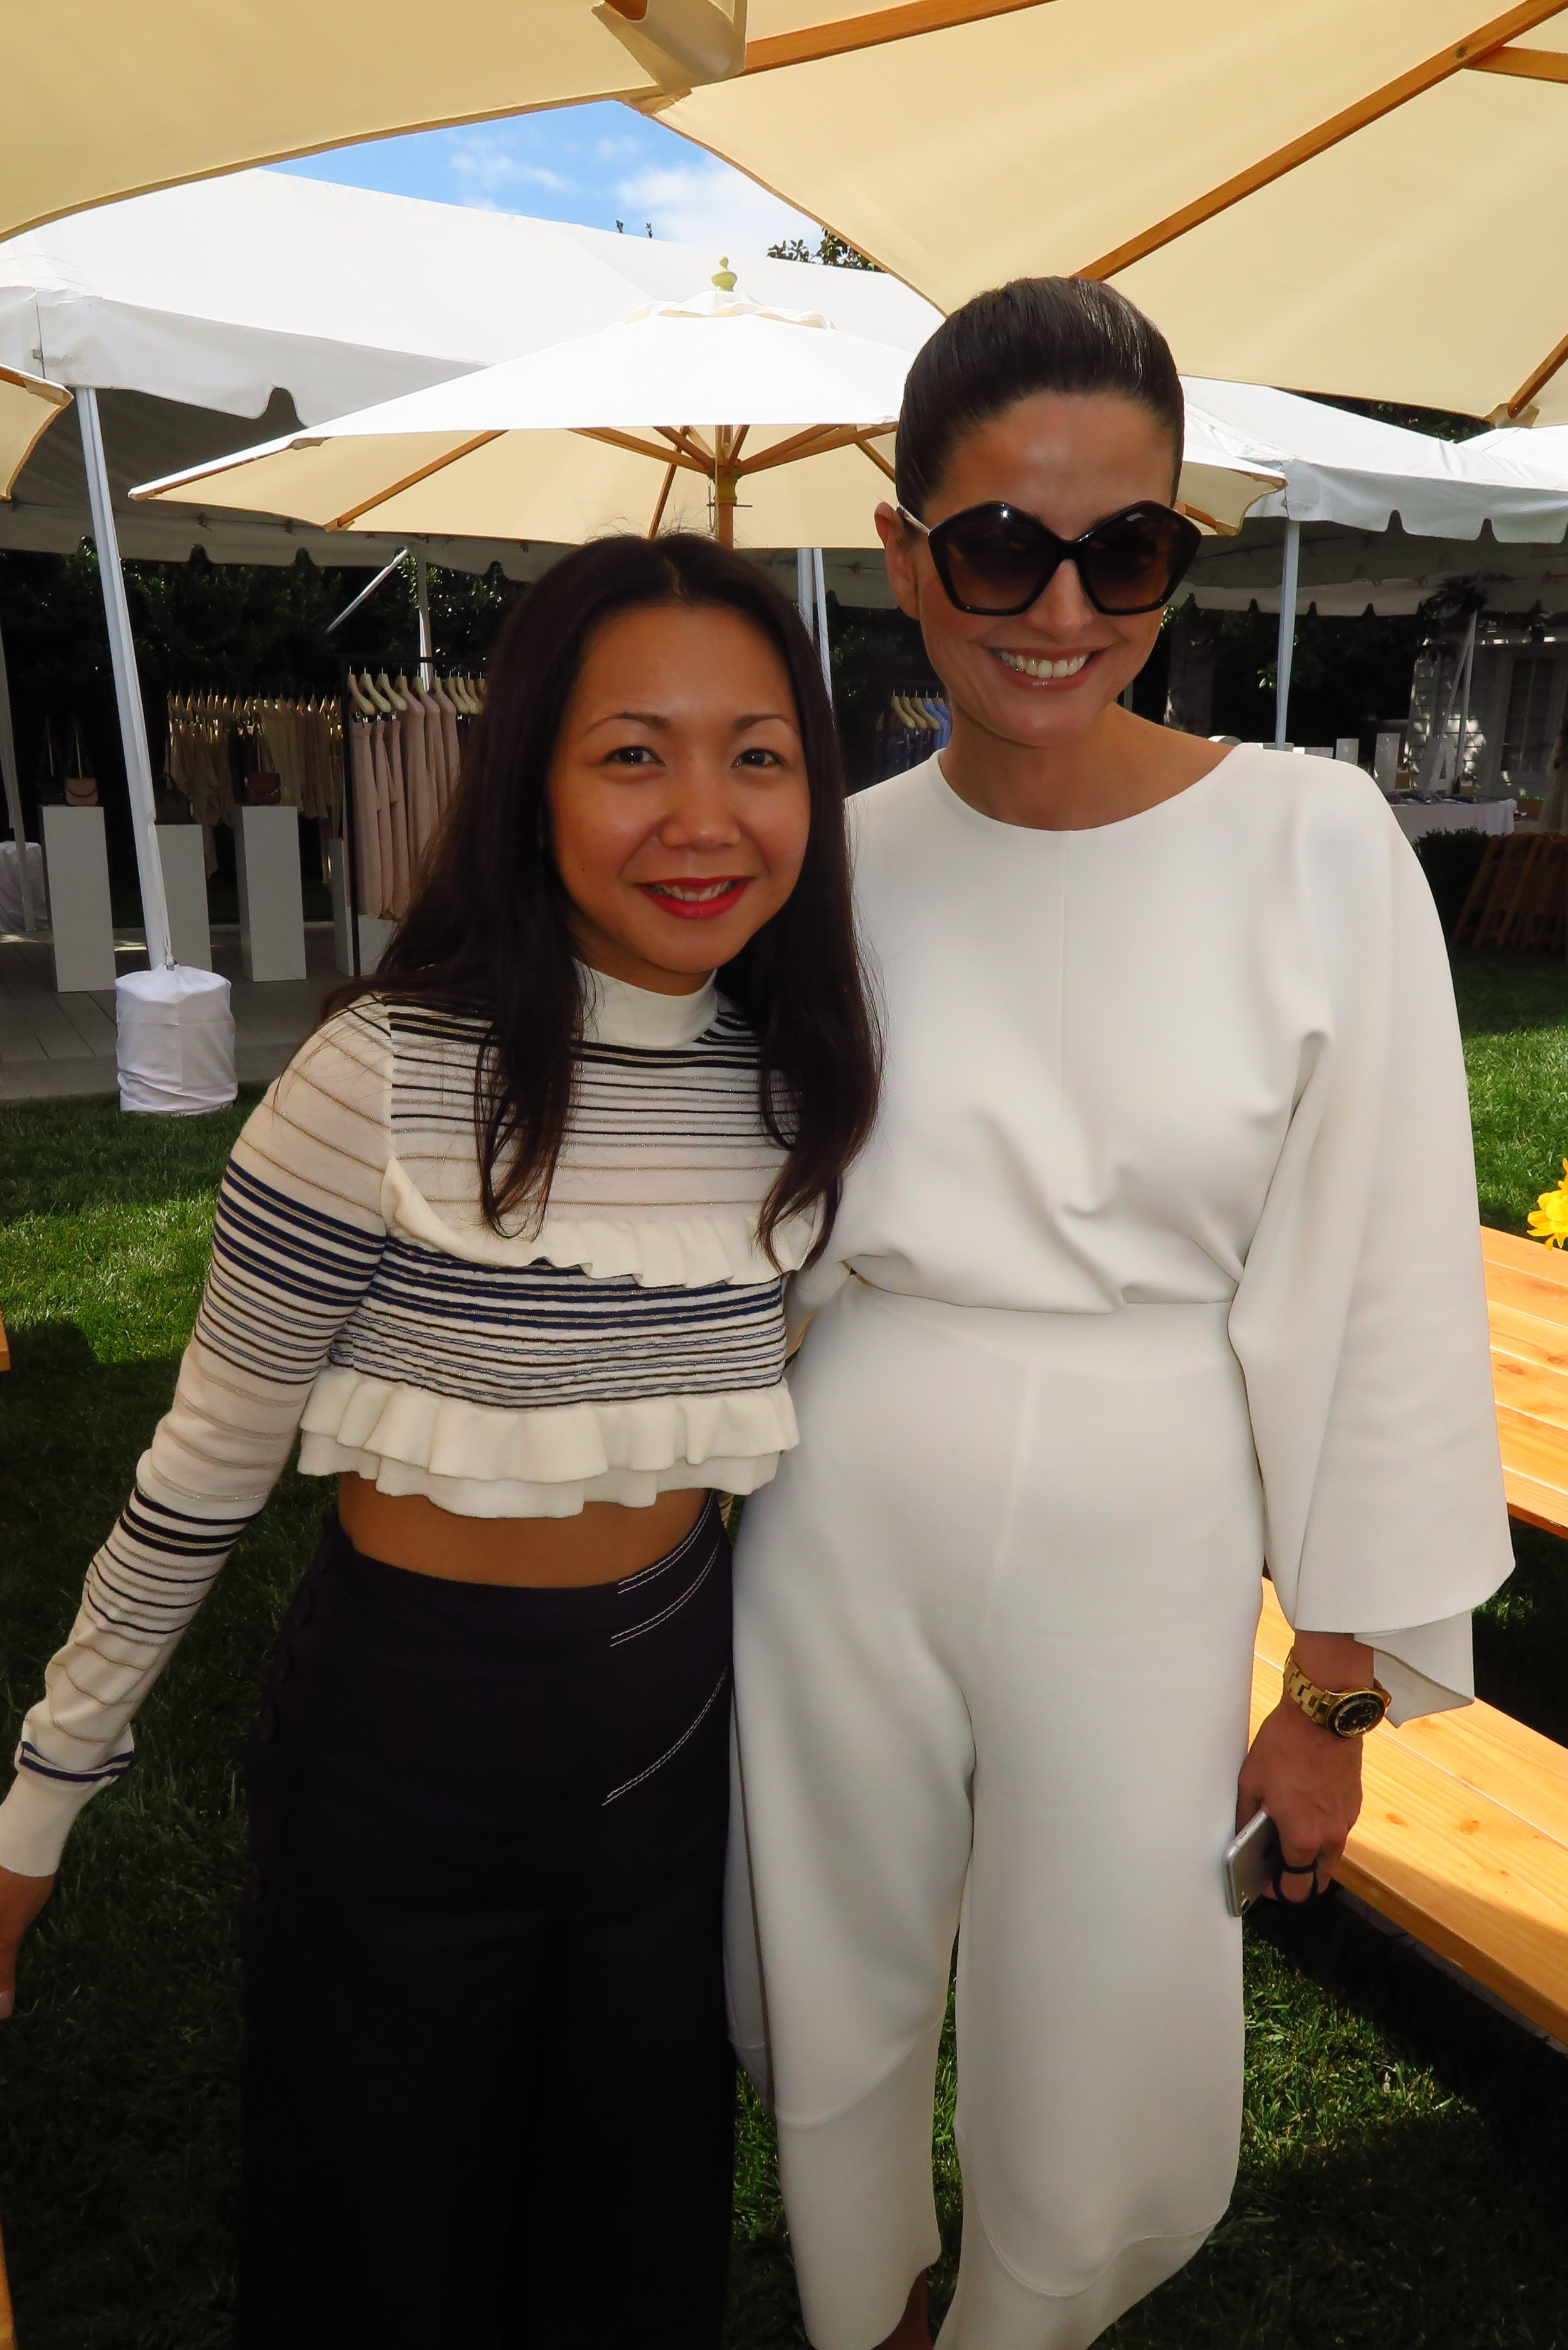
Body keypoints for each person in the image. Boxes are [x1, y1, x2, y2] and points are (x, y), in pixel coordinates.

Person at [723, 278, 1513, 2350]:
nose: (1061, 605)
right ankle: (862, 2314)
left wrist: (1331, 1694)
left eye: (1126, 547)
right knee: (829, 1974)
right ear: (903, 550)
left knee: (1103, 2003)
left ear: (1180, 547)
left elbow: (1384, 1283)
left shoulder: (1311, 842)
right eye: (999, 544)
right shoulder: (825, 863)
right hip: (837, 1497)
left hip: (1148, 1517)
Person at [0, 534, 878, 2349]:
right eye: (631, 753)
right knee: (378, 2232)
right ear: (531, 783)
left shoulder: (801, 1088)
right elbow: (203, 1467)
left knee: (630, 2236)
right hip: (405, 1743)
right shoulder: (385, 1076)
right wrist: (39, 1796)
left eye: (758, 754)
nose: (702, 816)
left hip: (678, 1737)